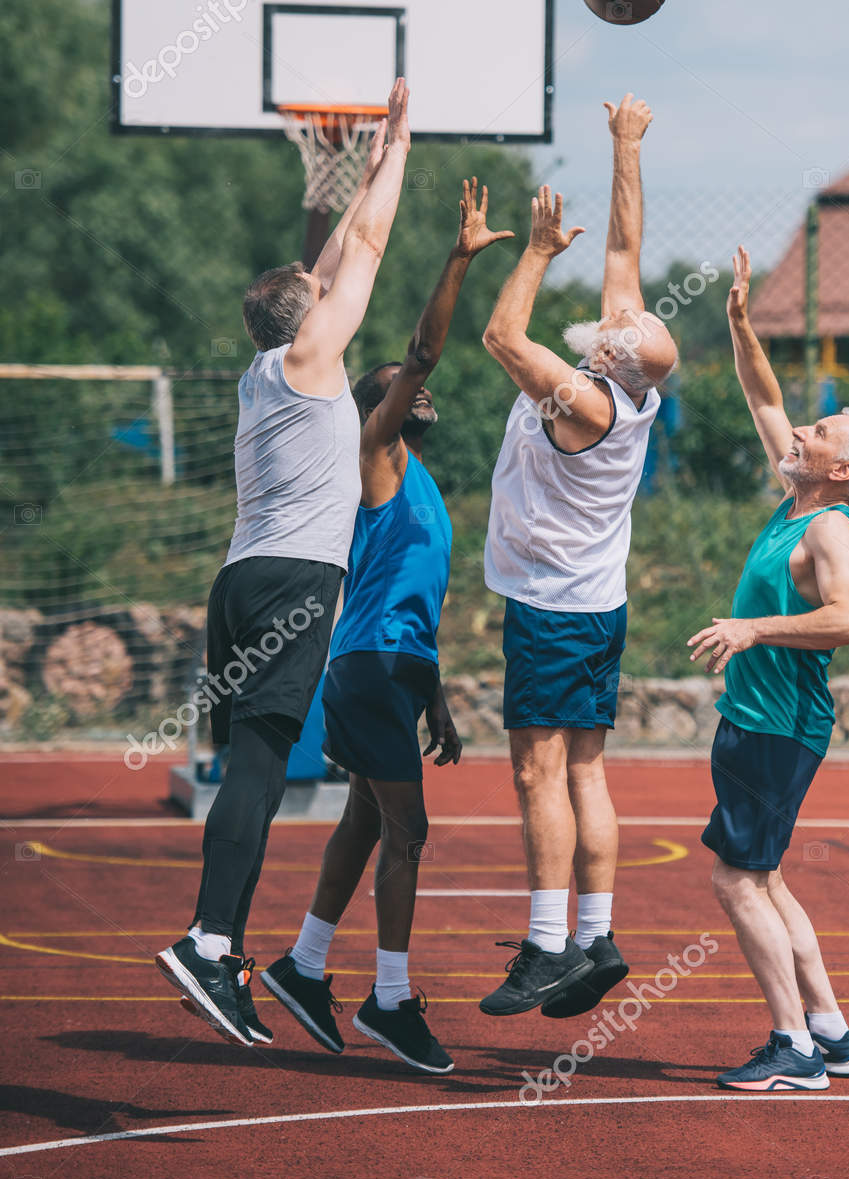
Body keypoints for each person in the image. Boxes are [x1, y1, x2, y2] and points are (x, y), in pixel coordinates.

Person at [156, 81, 412, 1047]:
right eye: (319, 295)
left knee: (249, 766)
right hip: (297, 586)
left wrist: (363, 168)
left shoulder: (266, 369)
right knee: (259, 772)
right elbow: (370, 250)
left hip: (242, 581)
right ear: (307, 319)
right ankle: (212, 942)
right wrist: (400, 147)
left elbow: (336, 254)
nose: (329, 288)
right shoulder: (309, 362)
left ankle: (218, 942)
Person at [262, 180, 513, 1072]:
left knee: (368, 824)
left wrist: (435, 699)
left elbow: (413, 598)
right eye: (399, 391)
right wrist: (457, 259)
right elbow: (421, 352)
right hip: (366, 667)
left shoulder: (428, 488)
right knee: (409, 834)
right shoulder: (375, 451)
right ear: (382, 406)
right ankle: (393, 999)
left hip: (395, 668)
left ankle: (303, 964)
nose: (414, 394)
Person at [479, 94, 678, 1018]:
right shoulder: (626, 381)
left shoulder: (588, 399)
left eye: (621, 325)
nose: (615, 314)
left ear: (614, 357)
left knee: (537, 770)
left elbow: (500, 338)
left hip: (555, 608)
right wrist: (625, 147)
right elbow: (628, 254)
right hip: (597, 601)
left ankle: (548, 947)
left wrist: (534, 251)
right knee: (589, 768)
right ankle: (596, 936)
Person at [688, 246, 849, 1092]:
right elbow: (764, 398)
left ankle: (793, 1048)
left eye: (818, 435)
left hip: (780, 727)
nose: (799, 432)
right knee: (762, 876)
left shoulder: (830, 526)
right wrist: (738, 323)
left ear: (840, 469)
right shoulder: (795, 493)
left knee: (736, 881)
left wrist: (753, 628)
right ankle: (834, 1034)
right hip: (760, 723)